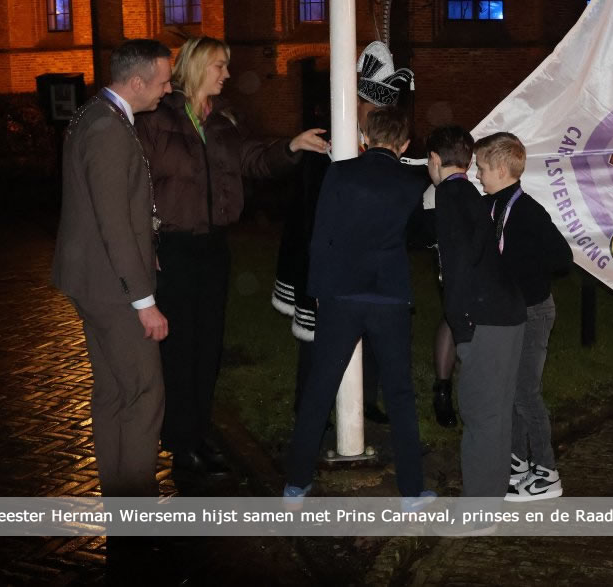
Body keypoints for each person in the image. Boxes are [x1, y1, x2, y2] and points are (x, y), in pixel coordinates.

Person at [134, 36, 328, 476]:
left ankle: (199, 432)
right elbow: (136, 183)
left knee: (208, 346)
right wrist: (146, 240)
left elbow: (252, 159)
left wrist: (291, 147)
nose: (226, 74)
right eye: (219, 65)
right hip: (173, 250)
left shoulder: (222, 120)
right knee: (178, 350)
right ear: (197, 66)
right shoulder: (156, 119)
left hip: (213, 249)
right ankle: (181, 443)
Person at [283, 105, 433, 501]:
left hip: (341, 295)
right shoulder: (410, 182)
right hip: (389, 297)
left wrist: (317, 291)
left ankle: (296, 481)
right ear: (404, 145)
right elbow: (419, 236)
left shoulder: (340, 173)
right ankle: (412, 491)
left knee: (320, 386)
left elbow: (321, 235)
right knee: (399, 393)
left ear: (366, 138)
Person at [51, 38, 173, 497]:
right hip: (112, 288)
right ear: (137, 82)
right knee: (144, 394)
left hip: (91, 279)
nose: (167, 90)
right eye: (163, 82)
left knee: (113, 391)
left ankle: (120, 501)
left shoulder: (93, 114)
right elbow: (113, 222)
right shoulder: (107, 128)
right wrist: (144, 301)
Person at [274, 40, 415, 425]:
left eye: (383, 112)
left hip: (373, 258)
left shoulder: (386, 143)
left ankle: (364, 402)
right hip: (329, 251)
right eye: (372, 110)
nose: (377, 118)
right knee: (319, 338)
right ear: (357, 104)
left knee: (373, 330)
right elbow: (313, 205)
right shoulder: (327, 139)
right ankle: (310, 411)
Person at [427, 127, 526, 528]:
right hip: (507, 314)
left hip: (484, 318)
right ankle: (491, 500)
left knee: (481, 413)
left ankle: (478, 514)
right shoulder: (470, 194)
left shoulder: (449, 197)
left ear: (434, 160)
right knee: (496, 414)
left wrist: (461, 324)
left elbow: (457, 265)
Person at [470, 133, 573, 502]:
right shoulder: (490, 206)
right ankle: (517, 462)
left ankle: (546, 472)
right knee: (510, 390)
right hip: (511, 311)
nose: (477, 174)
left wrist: (523, 272)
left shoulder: (527, 211)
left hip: (533, 311)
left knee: (525, 392)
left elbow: (561, 258)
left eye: (482, 168)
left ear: (501, 169)